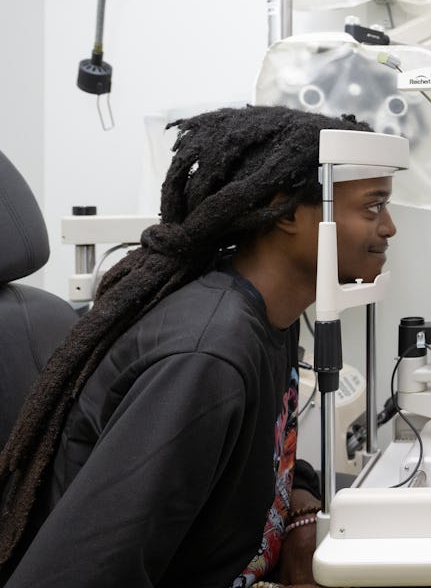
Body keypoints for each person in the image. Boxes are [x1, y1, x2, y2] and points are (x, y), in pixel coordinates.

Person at [0, 105, 398, 588]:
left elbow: (262, 461)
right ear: (287, 211)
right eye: (373, 207)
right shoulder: (208, 356)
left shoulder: (270, 315)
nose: (389, 227)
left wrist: (300, 514)